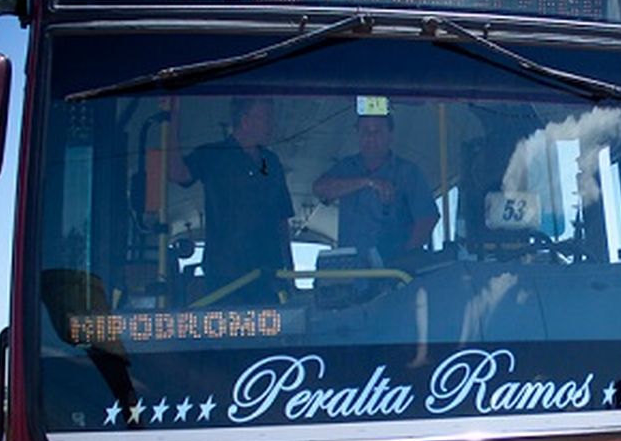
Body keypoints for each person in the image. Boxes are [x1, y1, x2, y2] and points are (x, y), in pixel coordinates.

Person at [169, 97, 294, 303]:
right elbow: (178, 174)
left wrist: (290, 271)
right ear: (245, 121)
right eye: (266, 118)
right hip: (225, 276)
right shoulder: (213, 155)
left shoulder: (271, 161)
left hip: (267, 274)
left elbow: (282, 220)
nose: (272, 125)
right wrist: (172, 120)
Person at [313, 110, 439, 264]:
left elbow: (427, 219)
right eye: (365, 131)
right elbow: (320, 189)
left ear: (390, 135)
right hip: (352, 273)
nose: (370, 137)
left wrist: (405, 259)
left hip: (395, 275)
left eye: (377, 131)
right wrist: (367, 182)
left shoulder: (409, 173)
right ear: (357, 135)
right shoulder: (346, 167)